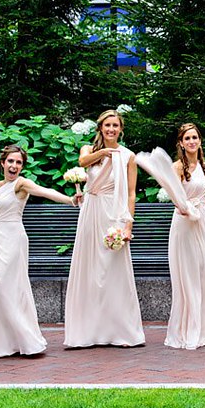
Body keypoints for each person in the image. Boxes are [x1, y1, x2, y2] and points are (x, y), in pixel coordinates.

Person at [0, 144, 79, 357]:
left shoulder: (21, 184)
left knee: (8, 288)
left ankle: (28, 341)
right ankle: (6, 344)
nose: (14, 166)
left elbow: (45, 192)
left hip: (14, 241)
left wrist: (70, 200)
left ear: (22, 166)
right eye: (11, 161)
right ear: (2, 163)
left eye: (19, 162)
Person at [63, 110, 145, 348]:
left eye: (115, 126)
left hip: (114, 212)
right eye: (107, 125)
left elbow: (131, 193)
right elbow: (82, 163)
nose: (111, 129)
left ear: (121, 129)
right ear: (100, 128)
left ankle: (120, 331)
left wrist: (128, 224)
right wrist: (105, 153)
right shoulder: (89, 150)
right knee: (90, 269)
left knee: (113, 270)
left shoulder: (128, 156)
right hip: (91, 211)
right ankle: (87, 332)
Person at [165, 123, 205, 349]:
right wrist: (185, 208)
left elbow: (203, 200)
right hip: (184, 225)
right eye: (187, 138)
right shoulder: (177, 167)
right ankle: (188, 329)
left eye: (195, 138)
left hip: (203, 223)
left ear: (200, 141)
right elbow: (176, 198)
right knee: (189, 277)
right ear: (181, 143)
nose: (192, 141)